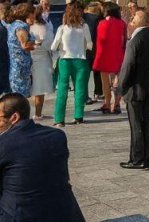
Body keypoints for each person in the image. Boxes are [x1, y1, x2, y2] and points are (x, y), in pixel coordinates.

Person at [0, 93, 86, 222]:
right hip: (66, 215)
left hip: (20, 216)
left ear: (14, 117)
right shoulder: (57, 135)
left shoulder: (4, 143)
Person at [117, 9, 149, 170]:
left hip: (135, 87)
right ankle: (147, 158)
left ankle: (137, 159)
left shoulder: (135, 40)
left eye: (133, 19)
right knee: (146, 122)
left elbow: (128, 65)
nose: (131, 21)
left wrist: (121, 86)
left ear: (138, 22)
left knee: (136, 123)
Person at [51, 2, 94, 126]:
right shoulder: (84, 27)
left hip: (65, 60)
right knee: (80, 89)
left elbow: (53, 46)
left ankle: (59, 119)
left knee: (62, 90)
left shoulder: (62, 28)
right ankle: (78, 116)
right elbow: (90, 45)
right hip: (80, 60)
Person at [29, 5, 54, 119]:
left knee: (33, 87)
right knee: (40, 88)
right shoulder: (44, 27)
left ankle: (31, 113)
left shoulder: (26, 26)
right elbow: (50, 45)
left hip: (30, 57)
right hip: (42, 59)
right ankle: (38, 113)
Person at [6, 3, 35, 98]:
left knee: (16, 95)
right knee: (21, 96)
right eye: (33, 13)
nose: (34, 16)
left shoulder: (13, 25)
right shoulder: (21, 26)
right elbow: (25, 46)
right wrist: (35, 44)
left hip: (14, 65)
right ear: (28, 13)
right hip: (21, 66)